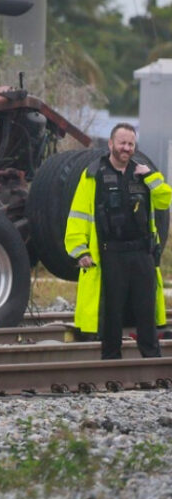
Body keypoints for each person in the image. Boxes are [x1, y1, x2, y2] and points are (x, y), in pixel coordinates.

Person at [64, 123, 172, 359]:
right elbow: (78, 214)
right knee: (112, 311)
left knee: (146, 310)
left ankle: (151, 358)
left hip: (142, 253)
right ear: (111, 144)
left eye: (131, 144)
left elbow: (165, 200)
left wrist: (151, 176)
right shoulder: (94, 174)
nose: (127, 148)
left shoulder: (143, 173)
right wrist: (80, 250)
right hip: (110, 254)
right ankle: (111, 360)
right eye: (122, 143)